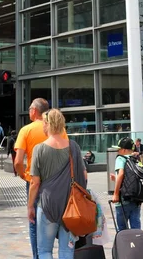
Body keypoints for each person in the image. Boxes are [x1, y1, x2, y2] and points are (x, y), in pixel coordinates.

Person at [28, 109, 87, 259]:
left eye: (43, 123)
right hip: (70, 206)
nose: (42, 126)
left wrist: (30, 206)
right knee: (66, 251)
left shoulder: (39, 149)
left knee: (44, 251)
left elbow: (35, 183)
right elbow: (84, 176)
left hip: (48, 205)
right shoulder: (74, 147)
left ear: (48, 124)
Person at [14, 98, 51, 259]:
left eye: (30, 108)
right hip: (56, 182)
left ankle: (38, 256)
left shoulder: (26, 130)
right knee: (55, 221)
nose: (29, 111)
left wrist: (23, 175)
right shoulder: (57, 129)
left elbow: (17, 161)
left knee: (34, 221)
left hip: (34, 182)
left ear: (34, 111)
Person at [112, 137, 141, 231]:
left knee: (122, 230)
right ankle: (137, 244)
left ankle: (123, 246)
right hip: (136, 199)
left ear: (123, 150)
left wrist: (116, 194)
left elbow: (121, 174)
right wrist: (115, 179)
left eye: (119, 149)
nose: (117, 150)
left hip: (123, 200)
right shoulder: (135, 159)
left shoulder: (120, 158)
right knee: (136, 229)